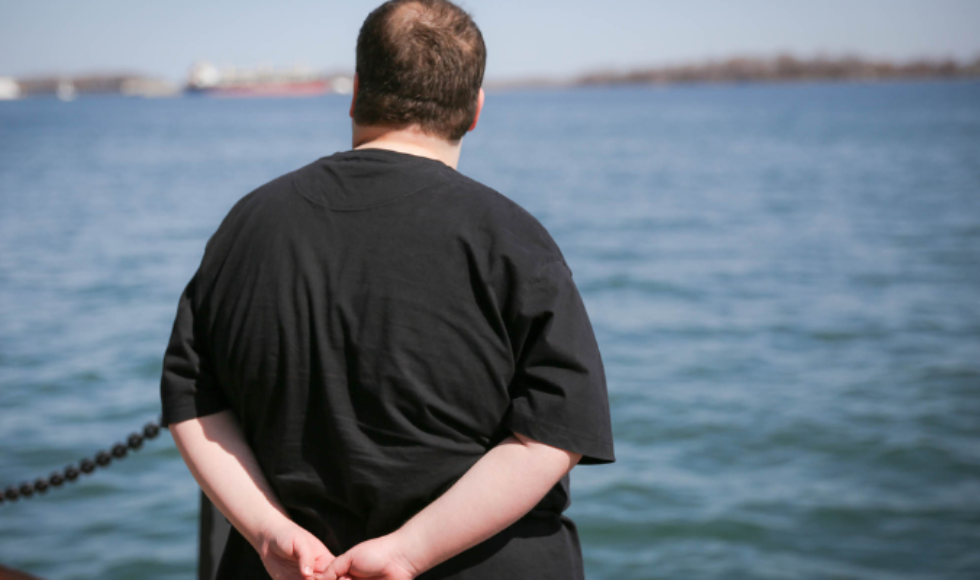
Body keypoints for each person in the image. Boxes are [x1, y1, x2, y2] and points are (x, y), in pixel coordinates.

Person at [159, 1, 615, 579]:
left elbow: (194, 402)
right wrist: (407, 551)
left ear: (355, 94)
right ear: (474, 110)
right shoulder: (514, 242)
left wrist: (270, 531)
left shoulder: (246, 226)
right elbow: (552, 435)